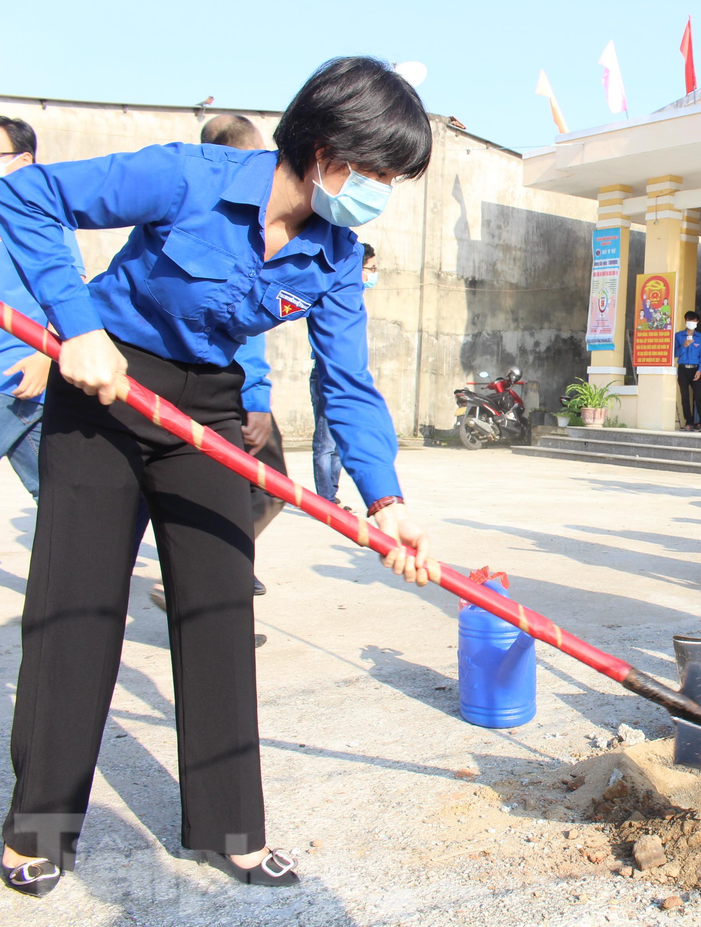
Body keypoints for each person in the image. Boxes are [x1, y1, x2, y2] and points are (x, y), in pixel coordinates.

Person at [0, 56, 434, 896]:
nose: (381, 189)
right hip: (106, 387)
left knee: (220, 607)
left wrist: (388, 501)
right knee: (75, 606)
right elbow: (26, 196)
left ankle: (230, 827)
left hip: (206, 410)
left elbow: (345, 381)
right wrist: (77, 326)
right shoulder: (186, 175)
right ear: (325, 149)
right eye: (378, 170)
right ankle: (40, 826)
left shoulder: (336, 255)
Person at [147, 115, 284, 611]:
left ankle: (212, 572)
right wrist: (256, 397)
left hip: (180, 382)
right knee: (267, 487)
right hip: (224, 392)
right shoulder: (241, 216)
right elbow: (232, 327)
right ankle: (208, 574)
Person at [0, 117, 85, 500]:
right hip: (19, 385)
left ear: (24, 160)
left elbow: (76, 291)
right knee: (55, 497)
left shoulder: (39, 216)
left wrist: (43, 355)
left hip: (21, 372)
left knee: (58, 497)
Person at [310, 241, 375, 505]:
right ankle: (325, 499)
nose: (373, 274)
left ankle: (331, 495)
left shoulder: (354, 300)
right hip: (329, 375)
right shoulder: (335, 296)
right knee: (326, 442)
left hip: (348, 377)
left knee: (337, 442)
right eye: (371, 268)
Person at [674, 309, 701, 430]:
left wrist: (700, 370)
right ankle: (689, 422)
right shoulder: (678, 336)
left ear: (697, 321)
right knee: (685, 397)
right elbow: (675, 354)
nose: (690, 322)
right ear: (685, 321)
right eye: (688, 320)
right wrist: (684, 346)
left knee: (698, 396)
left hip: (696, 370)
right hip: (683, 369)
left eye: (693, 320)